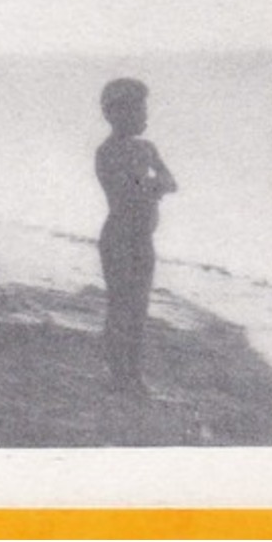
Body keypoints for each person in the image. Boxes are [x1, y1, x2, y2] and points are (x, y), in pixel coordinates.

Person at [95, 77, 178, 395]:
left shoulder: (147, 148)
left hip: (142, 238)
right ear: (116, 114)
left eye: (144, 109)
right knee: (122, 306)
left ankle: (132, 374)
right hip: (119, 236)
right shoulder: (107, 151)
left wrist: (154, 186)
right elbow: (125, 192)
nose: (145, 116)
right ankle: (118, 373)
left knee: (138, 307)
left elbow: (171, 181)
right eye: (138, 110)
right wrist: (154, 186)